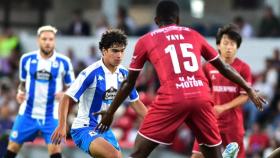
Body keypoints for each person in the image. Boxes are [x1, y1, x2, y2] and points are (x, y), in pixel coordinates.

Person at [95, 1, 266, 158]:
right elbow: (224, 67)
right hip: (201, 97)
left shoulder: (145, 40)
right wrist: (248, 88)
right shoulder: (194, 34)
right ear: (178, 19)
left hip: (172, 97)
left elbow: (128, 83)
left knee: (138, 153)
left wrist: (110, 113)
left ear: (156, 21)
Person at [51, 29, 147, 158]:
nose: (119, 55)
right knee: (114, 156)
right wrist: (62, 125)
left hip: (104, 130)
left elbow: (136, 103)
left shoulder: (124, 74)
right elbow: (66, 98)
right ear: (104, 50)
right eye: (115, 50)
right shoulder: (91, 72)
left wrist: (155, 124)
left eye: (122, 51)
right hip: (84, 129)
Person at [4, 25, 75, 158]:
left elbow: (73, 87)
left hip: (51, 115)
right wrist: (20, 92)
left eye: (51, 39)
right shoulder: (27, 59)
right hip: (27, 113)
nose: (47, 42)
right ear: (38, 40)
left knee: (55, 149)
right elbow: (22, 83)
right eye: (44, 39)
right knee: (12, 146)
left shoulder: (64, 62)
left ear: (54, 41)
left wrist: (66, 94)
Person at [191, 24, 251, 158]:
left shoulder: (243, 68)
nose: (229, 47)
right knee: (197, 156)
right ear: (218, 45)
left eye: (233, 44)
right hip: (210, 120)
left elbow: (245, 96)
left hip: (233, 124)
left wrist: (223, 107)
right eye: (226, 43)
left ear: (237, 47)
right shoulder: (208, 66)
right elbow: (202, 89)